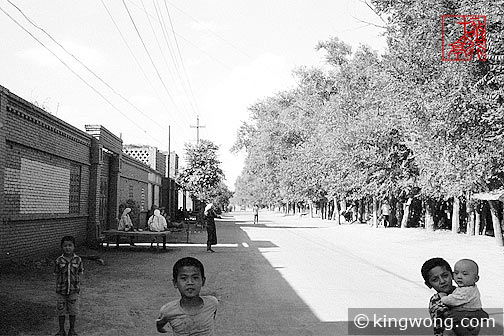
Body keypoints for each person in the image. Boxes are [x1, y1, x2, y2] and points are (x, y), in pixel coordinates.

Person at [421, 258, 487, 336]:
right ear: (429, 285)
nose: (442, 281)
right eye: (435, 280)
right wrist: (470, 314)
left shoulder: (462, 292)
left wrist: (464, 315)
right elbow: (453, 321)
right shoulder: (436, 301)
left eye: (445, 276)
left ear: (452, 275)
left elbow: (484, 315)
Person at [156, 257, 218, 335]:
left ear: (203, 281)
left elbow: (212, 316)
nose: (190, 282)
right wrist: (161, 329)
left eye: (195, 278)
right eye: (184, 278)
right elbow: (160, 323)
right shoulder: (168, 310)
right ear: (175, 283)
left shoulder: (212, 303)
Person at [54, 236, 84, 336]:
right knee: (61, 311)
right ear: (62, 247)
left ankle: (72, 330)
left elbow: (80, 273)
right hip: (61, 291)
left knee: (73, 311)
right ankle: (61, 330)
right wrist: (57, 288)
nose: (68, 248)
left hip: (73, 290)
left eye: (70, 245)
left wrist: (78, 285)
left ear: (74, 247)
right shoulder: (59, 260)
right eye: (65, 246)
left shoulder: (78, 260)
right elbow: (57, 274)